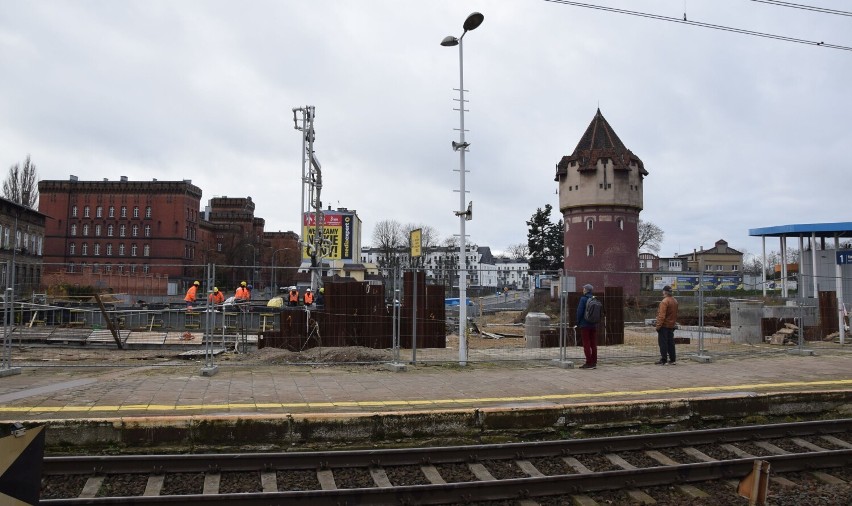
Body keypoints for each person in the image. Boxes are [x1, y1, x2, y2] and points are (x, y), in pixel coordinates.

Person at [655, 285, 679, 365]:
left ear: (664, 292)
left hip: (664, 326)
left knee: (663, 343)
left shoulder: (664, 301)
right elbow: (675, 314)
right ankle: (673, 359)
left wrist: (658, 326)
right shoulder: (675, 301)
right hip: (671, 325)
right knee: (671, 343)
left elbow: (662, 316)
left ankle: (664, 360)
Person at [575, 284, 598, 369]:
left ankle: (589, 362)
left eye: (583, 288)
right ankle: (594, 362)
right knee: (593, 343)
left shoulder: (583, 299)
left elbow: (579, 311)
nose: (583, 290)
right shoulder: (594, 298)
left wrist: (578, 322)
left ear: (586, 290)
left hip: (585, 324)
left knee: (586, 343)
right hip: (593, 324)